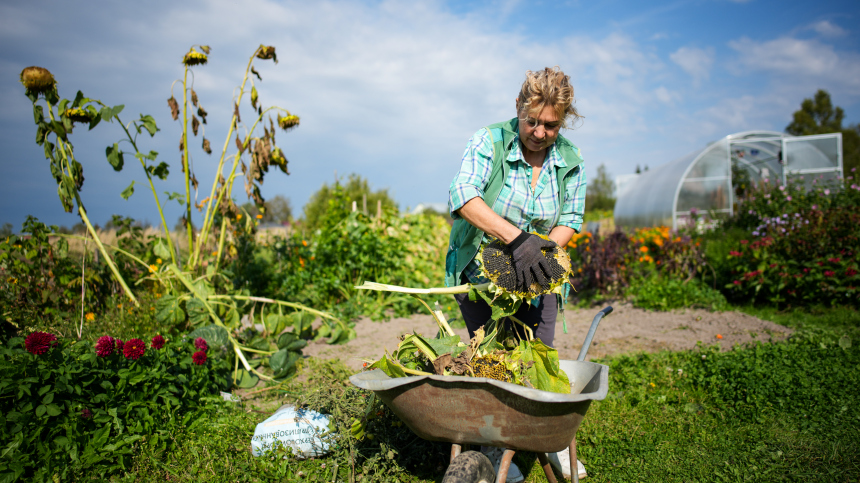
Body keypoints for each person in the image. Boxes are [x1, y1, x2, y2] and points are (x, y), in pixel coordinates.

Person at [445, 66, 588, 482]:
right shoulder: (489, 141)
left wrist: (543, 250)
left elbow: (571, 218)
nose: (539, 132)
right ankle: (494, 449)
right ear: (518, 108)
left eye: (550, 125)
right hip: (478, 275)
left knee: (536, 362)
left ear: (562, 121)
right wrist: (516, 239)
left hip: (535, 277)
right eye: (532, 121)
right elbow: (464, 196)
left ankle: (550, 442)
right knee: (491, 362)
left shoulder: (571, 160)